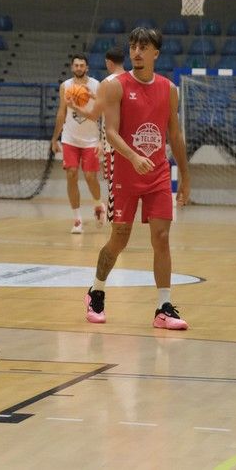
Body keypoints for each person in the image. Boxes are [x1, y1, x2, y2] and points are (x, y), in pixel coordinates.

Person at [84, 28, 191, 330]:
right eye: (133, 47)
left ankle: (163, 307)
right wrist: (133, 157)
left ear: (156, 52)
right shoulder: (113, 85)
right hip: (125, 172)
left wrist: (185, 175)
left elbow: (175, 134)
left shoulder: (169, 89)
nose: (137, 52)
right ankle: (96, 291)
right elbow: (111, 132)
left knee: (162, 237)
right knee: (120, 238)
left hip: (157, 172)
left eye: (144, 47)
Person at [50, 54, 105, 233]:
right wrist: (55, 138)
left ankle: (98, 205)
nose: (79, 68)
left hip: (91, 139)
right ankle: (77, 219)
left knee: (90, 177)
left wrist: (102, 141)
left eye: (82, 65)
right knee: (71, 175)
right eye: (76, 65)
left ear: (87, 68)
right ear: (72, 67)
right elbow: (61, 112)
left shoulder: (97, 85)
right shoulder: (65, 86)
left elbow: (104, 112)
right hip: (70, 138)